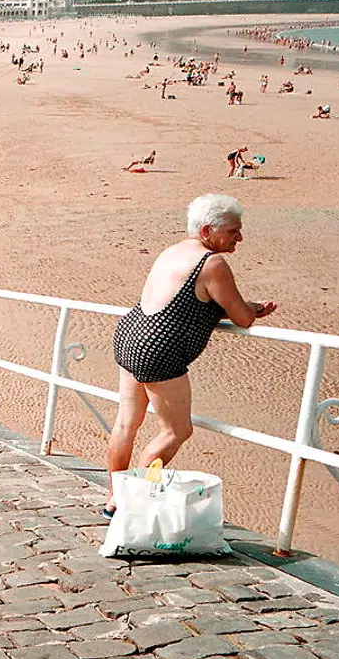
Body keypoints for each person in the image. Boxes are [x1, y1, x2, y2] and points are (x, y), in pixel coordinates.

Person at [104, 195, 276, 516]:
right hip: (159, 350)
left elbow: (187, 307)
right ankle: (130, 500)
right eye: (233, 230)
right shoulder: (212, 264)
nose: (239, 237)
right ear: (208, 230)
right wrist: (251, 308)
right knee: (176, 431)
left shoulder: (173, 251)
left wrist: (234, 308)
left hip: (131, 335)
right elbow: (242, 318)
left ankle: (114, 497)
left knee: (126, 424)